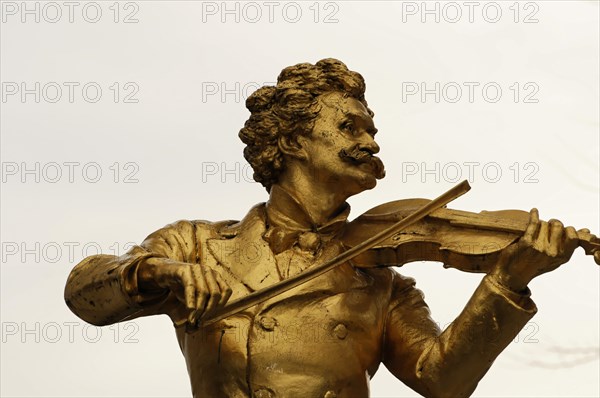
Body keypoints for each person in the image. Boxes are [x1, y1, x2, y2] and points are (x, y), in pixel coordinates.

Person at [64, 58, 579, 398]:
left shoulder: (383, 283)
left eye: (372, 130)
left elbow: (442, 379)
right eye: (349, 127)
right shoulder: (197, 245)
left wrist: (508, 281)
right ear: (290, 142)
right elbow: (84, 292)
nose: (371, 144)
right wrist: (163, 273)